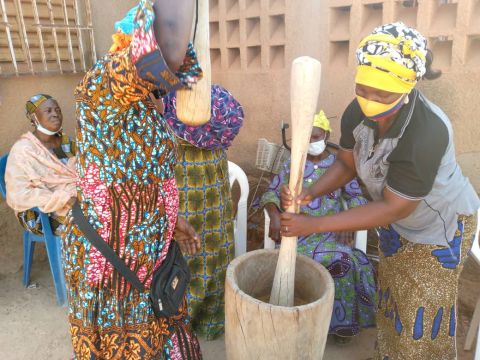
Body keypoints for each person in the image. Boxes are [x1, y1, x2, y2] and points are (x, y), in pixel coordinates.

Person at [280, 22, 479, 359]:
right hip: (397, 225)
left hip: (438, 229)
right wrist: (310, 193)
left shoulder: (425, 131)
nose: (370, 101)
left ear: (407, 86)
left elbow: (393, 206)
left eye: (382, 94)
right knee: (392, 306)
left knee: (420, 317)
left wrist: (313, 225)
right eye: (363, 88)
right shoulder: (357, 111)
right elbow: (345, 164)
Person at [61, 1, 205, 358]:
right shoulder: (104, 84)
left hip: (150, 253)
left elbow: (142, 177)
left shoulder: (146, 102)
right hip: (113, 265)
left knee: (160, 337)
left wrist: (172, 223)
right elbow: (170, 54)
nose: (166, 87)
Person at [260, 111, 376, 342]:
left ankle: (339, 327)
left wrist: (348, 219)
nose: (312, 142)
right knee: (289, 260)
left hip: (329, 233)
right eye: (307, 139)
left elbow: (356, 197)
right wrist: (274, 215)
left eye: (316, 137)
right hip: (296, 231)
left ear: (327, 134)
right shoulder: (292, 165)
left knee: (342, 261)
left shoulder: (339, 165)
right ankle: (294, 323)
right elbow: (270, 193)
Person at [163, 84, 244, 340]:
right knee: (211, 257)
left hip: (185, 198)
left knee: (187, 258)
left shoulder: (170, 103)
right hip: (212, 200)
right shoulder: (219, 100)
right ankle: (209, 321)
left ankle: (181, 323)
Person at [5, 94, 76, 236]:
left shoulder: (67, 142)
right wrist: (63, 198)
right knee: (93, 220)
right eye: (48, 111)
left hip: (74, 199)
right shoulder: (23, 150)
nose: (55, 114)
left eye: (58, 110)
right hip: (41, 215)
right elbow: (19, 194)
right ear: (34, 117)